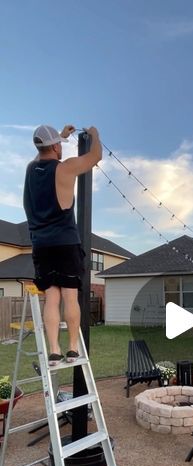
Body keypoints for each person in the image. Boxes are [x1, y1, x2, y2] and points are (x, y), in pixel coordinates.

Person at [23, 124, 102, 365]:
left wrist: (61, 137)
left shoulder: (30, 169)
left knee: (51, 298)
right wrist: (95, 134)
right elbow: (95, 156)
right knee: (69, 296)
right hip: (66, 243)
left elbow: (41, 155)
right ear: (56, 147)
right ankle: (73, 348)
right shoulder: (65, 168)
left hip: (41, 245)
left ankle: (54, 350)